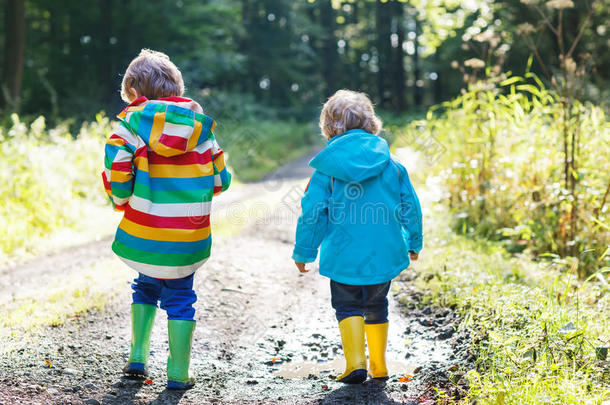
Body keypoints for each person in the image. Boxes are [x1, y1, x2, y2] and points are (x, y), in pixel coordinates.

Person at [102, 49, 231, 390]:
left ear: (133, 92)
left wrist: (121, 200)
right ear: (176, 87)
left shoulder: (130, 129)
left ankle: (137, 356)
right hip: (187, 238)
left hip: (145, 232)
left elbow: (117, 174)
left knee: (145, 285)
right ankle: (178, 373)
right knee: (180, 296)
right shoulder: (202, 132)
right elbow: (220, 180)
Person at [292, 90, 423, 384]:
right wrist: (414, 241)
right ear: (372, 123)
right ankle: (379, 366)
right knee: (378, 304)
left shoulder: (327, 169)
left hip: (343, 256)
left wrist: (304, 252)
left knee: (347, 305)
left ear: (328, 126)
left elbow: (313, 212)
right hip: (384, 255)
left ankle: (355, 365)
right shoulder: (392, 165)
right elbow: (410, 207)